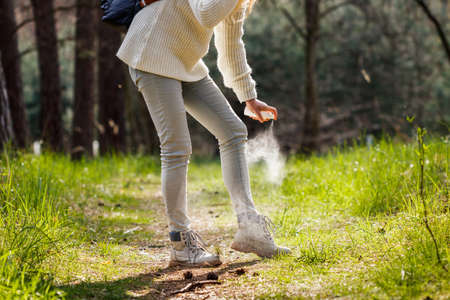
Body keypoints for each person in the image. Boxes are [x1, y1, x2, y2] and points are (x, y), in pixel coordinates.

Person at [116, 0, 291, 267]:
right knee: (176, 148)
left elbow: (231, 45)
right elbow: (206, 13)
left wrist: (248, 97)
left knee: (233, 131)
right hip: (152, 50)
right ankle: (180, 243)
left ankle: (250, 229)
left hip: (185, 62)